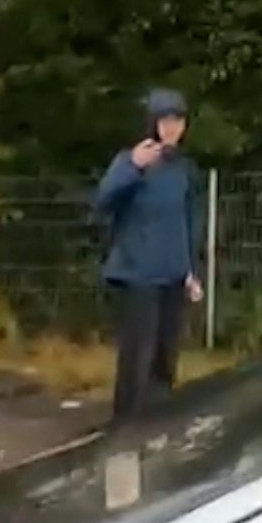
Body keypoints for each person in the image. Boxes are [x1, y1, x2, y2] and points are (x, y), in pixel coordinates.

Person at [93, 88, 206, 421]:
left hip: (173, 274)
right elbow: (102, 201)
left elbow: (188, 221)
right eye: (165, 121)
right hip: (137, 274)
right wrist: (132, 167)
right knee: (136, 358)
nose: (172, 129)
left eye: (178, 121)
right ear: (152, 124)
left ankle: (158, 424)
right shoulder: (133, 160)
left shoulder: (183, 169)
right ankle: (125, 425)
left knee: (165, 357)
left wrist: (191, 271)